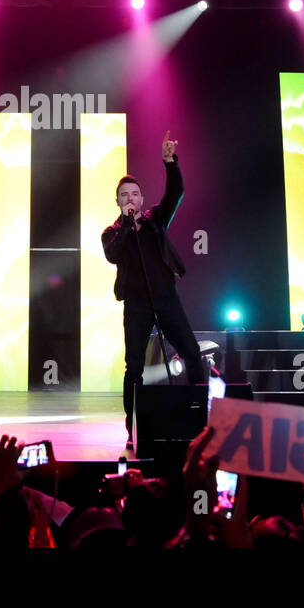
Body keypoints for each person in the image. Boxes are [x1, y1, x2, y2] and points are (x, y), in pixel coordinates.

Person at [102, 131, 206, 449]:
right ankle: (133, 423)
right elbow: (112, 255)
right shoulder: (111, 232)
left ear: (142, 199)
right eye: (124, 196)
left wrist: (169, 162)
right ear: (118, 202)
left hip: (165, 297)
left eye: (134, 195)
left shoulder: (156, 220)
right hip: (136, 304)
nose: (130, 199)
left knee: (191, 352)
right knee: (134, 364)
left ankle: (200, 418)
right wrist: (127, 228)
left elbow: (177, 192)